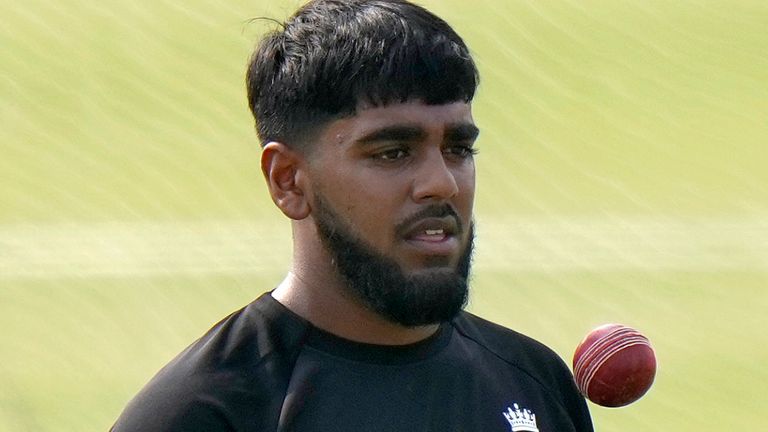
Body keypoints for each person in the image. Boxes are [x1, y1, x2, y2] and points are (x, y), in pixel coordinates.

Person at [111, 1, 594, 431]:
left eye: (458, 147)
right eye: (392, 152)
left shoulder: (535, 383)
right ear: (288, 180)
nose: (442, 183)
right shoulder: (205, 413)